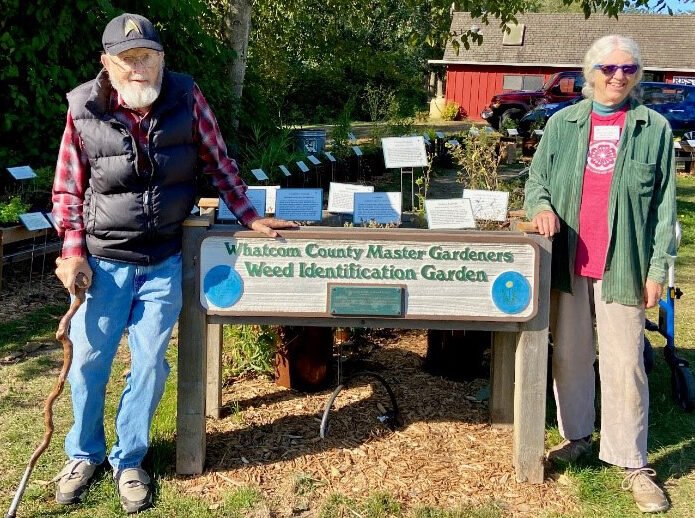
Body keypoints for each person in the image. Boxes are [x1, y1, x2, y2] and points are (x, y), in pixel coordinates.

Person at [50, 12, 295, 514]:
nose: (139, 70)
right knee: (90, 364)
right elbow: (67, 188)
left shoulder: (186, 96)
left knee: (149, 365)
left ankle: (130, 458)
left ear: (162, 60)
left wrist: (249, 217)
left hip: (163, 258)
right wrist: (73, 251)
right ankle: (84, 454)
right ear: (107, 63)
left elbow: (218, 161)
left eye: (149, 58)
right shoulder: (83, 109)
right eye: (128, 60)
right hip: (102, 261)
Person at [524, 35, 676, 514]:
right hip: (570, 263)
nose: (618, 76)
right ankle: (577, 436)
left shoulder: (654, 129)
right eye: (609, 68)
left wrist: (657, 269)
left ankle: (632, 460)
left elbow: (665, 208)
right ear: (590, 72)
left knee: (625, 363)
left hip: (624, 266)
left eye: (629, 69)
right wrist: (542, 207)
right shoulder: (561, 124)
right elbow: (536, 182)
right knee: (569, 357)